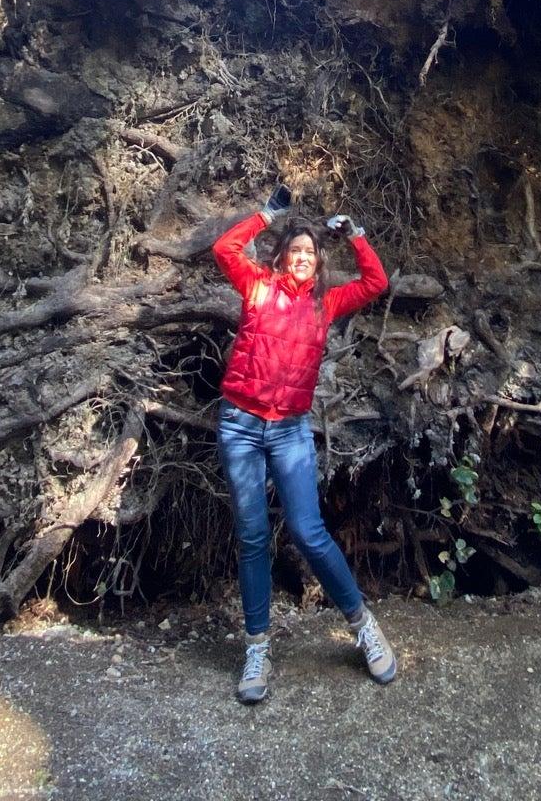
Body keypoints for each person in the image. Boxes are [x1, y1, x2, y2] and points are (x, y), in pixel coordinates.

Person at [209, 182, 395, 704]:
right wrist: (266, 216)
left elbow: (376, 281)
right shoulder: (257, 287)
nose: (303, 258)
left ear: (318, 262)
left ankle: (363, 626)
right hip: (242, 425)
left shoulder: (326, 304)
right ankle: (256, 648)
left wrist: (355, 237)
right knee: (251, 536)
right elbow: (224, 249)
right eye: (296, 250)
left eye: (311, 252)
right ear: (283, 256)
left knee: (309, 533)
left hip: (290, 429)